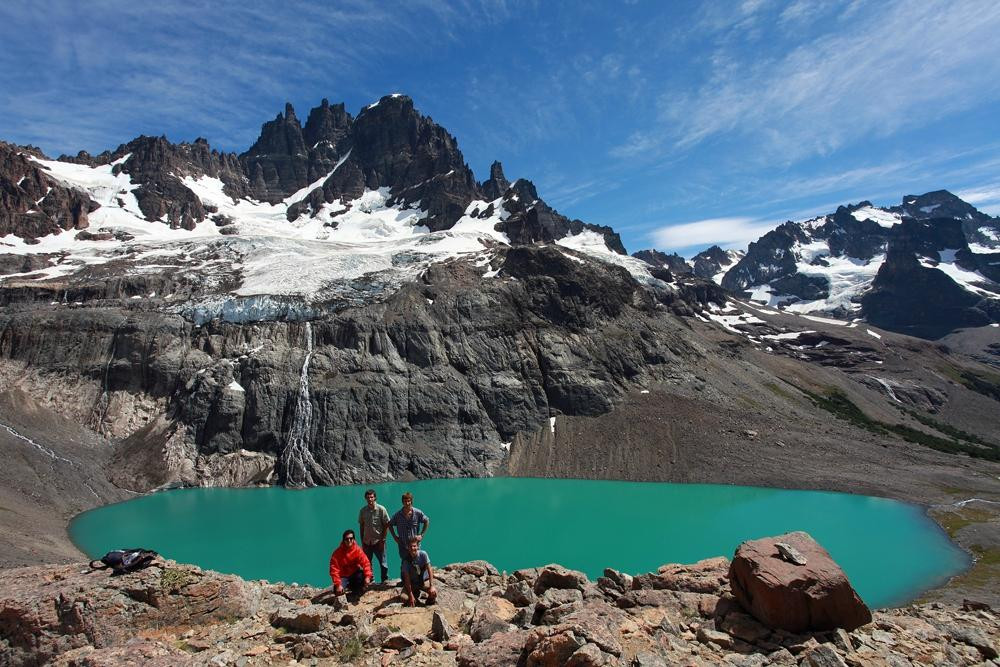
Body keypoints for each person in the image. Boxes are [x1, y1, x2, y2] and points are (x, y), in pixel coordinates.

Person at [358, 488, 390, 583]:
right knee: (367, 563)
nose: (370, 499)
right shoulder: (363, 511)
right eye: (368, 497)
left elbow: (386, 525)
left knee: (383, 563)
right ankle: (371, 581)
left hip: (378, 541)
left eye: (371, 497)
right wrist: (362, 541)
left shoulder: (381, 509)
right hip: (367, 541)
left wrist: (383, 540)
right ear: (365, 498)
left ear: (375, 498)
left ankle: (384, 580)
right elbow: (361, 526)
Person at [329, 529, 373, 595]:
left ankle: (356, 590)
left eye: (351, 538)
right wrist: (338, 584)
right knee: (337, 592)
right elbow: (334, 570)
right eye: (347, 539)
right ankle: (345, 589)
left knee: (361, 577)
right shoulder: (337, 553)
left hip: (354, 574)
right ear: (343, 540)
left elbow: (365, 563)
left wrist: (368, 576)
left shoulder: (357, 550)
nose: (349, 540)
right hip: (343, 576)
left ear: (354, 539)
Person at [388, 491, 429, 560]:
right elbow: (390, 524)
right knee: (405, 564)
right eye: (405, 501)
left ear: (411, 501)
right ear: (402, 502)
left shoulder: (417, 513)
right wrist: (395, 537)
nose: (407, 503)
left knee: (417, 563)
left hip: (415, 545)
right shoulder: (398, 515)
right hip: (403, 545)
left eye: (408, 501)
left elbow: (426, 521)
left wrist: (421, 535)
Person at [401, 536, 437, 607]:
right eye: (410, 546)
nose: (412, 548)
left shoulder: (423, 554)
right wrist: (411, 595)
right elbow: (407, 579)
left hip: (422, 582)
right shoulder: (406, 561)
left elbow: (429, 569)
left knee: (433, 592)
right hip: (412, 583)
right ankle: (415, 597)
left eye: (414, 546)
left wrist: (431, 586)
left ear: (417, 547)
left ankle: (428, 602)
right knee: (404, 598)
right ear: (408, 548)